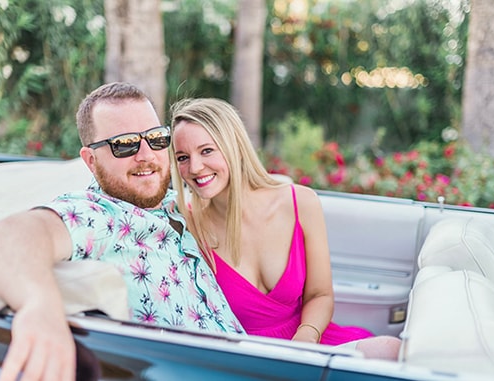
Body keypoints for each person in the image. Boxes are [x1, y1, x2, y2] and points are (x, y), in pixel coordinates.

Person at [0, 82, 244, 381]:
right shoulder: (99, 215)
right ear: (91, 161)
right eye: (125, 144)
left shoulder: (178, 204)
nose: (146, 155)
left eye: (156, 139)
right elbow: (13, 234)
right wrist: (38, 307)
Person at [169, 97, 402, 360]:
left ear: (234, 145)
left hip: (308, 345)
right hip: (244, 360)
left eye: (207, 150)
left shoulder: (301, 202)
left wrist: (306, 338)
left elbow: (320, 294)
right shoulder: (185, 224)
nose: (195, 167)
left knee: (389, 350)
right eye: (182, 157)